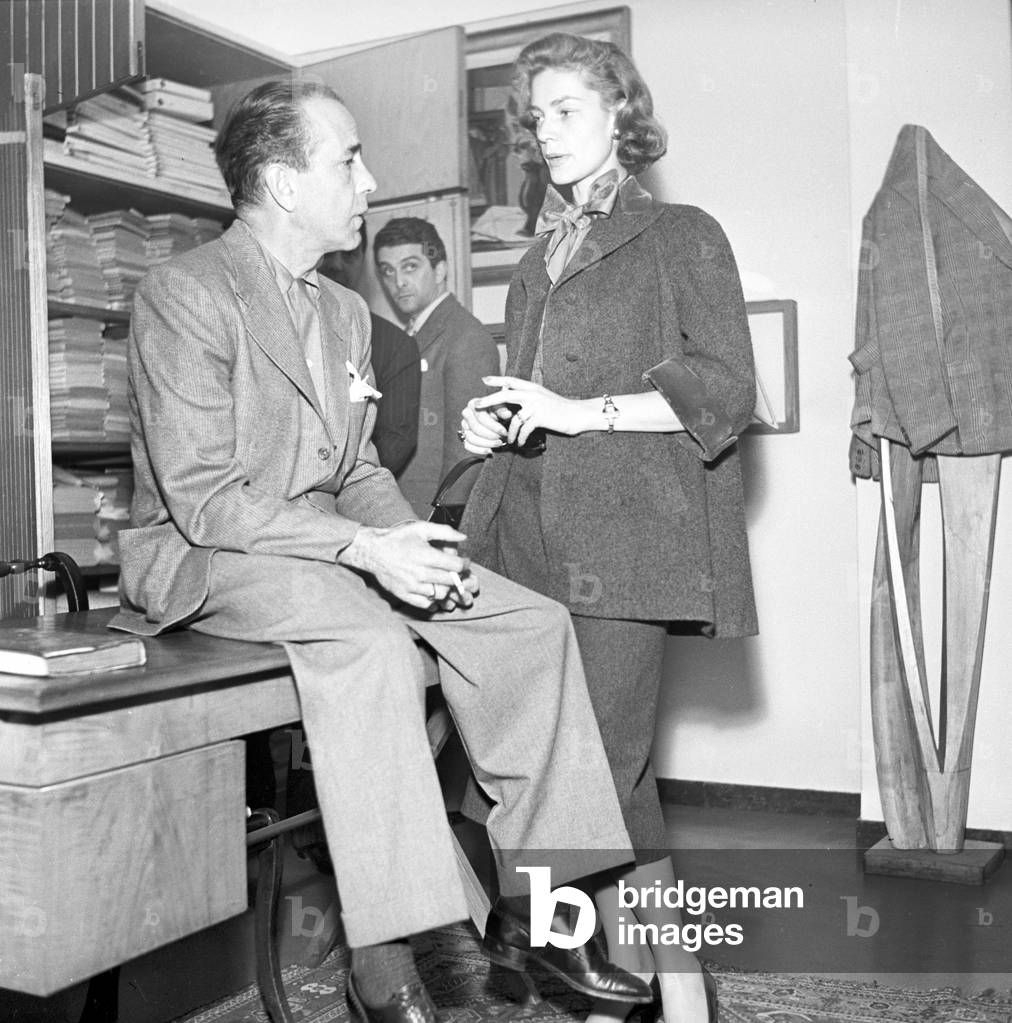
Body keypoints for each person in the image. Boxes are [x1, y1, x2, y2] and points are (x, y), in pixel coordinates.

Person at [110, 78, 653, 1023]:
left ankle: (545, 923)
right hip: (210, 553)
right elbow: (204, 500)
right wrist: (368, 549)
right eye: (348, 159)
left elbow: (356, 465)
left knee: (529, 622)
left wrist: (407, 537)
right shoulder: (183, 294)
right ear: (283, 184)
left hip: (324, 546)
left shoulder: (345, 313)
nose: (370, 179)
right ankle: (394, 950)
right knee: (370, 642)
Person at [460, 33, 759, 1023]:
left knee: (611, 774)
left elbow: (722, 393)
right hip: (527, 537)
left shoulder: (683, 235)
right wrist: (493, 422)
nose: (546, 132)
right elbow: (538, 399)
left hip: (628, 541)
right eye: (535, 116)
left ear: (620, 116)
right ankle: (604, 978)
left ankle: (662, 987)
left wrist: (577, 411)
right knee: (550, 774)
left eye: (568, 110)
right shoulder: (535, 265)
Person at [373, 217, 500, 516]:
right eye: (387, 271)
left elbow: (468, 455)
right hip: (402, 512)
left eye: (410, 266)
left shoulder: (465, 337)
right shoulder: (409, 335)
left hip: (432, 514)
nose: (398, 282)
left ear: (440, 270)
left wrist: (444, 523)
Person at [318, 226, 421, 477]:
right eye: (328, 253)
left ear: (362, 259)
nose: (337, 266)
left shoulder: (394, 345)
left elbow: (393, 446)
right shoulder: (283, 326)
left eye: (350, 255)